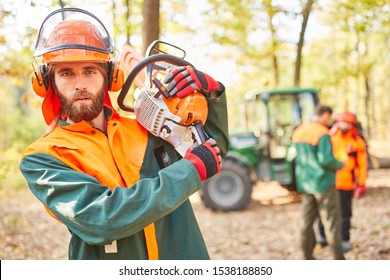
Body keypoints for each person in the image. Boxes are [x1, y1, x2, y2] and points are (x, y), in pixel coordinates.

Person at [20, 7, 229, 260]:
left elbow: (210, 150)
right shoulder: (43, 156)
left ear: (110, 76)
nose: (80, 83)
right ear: (48, 82)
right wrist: (188, 172)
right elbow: (101, 218)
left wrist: (212, 93)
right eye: (66, 73)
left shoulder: (146, 127)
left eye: (89, 71)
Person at [291, 104, 345, 260]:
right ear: (325, 115)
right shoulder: (322, 133)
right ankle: (339, 259)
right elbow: (326, 159)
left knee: (306, 222)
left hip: (306, 184)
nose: (330, 121)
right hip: (324, 184)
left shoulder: (299, 130)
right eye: (329, 117)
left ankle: (307, 257)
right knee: (331, 223)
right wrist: (341, 164)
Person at [317, 112, 368, 252]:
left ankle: (344, 240)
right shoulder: (330, 138)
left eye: (348, 122)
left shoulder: (357, 142)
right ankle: (323, 237)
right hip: (329, 182)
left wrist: (361, 183)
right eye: (342, 122)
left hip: (347, 183)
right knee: (326, 210)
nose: (344, 125)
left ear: (352, 125)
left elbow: (362, 165)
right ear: (337, 123)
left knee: (345, 213)